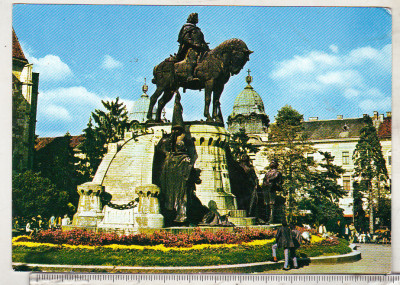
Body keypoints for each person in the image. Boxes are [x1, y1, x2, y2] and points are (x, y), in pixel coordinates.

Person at [176, 13, 210, 81]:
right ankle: (189, 76)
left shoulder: (197, 29)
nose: (197, 19)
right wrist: (194, 44)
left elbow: (202, 40)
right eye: (196, 18)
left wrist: (206, 47)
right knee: (193, 60)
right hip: (191, 48)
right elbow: (185, 38)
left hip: (200, 48)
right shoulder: (187, 27)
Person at [262, 159, 283, 224]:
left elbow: (281, 181)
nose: (272, 163)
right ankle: (266, 218)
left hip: (272, 189)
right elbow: (264, 180)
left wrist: (275, 184)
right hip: (266, 188)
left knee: (272, 203)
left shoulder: (277, 173)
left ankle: (271, 219)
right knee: (266, 203)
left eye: (273, 162)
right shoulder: (267, 173)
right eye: (271, 162)